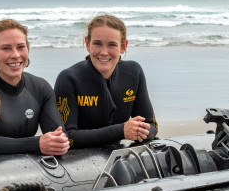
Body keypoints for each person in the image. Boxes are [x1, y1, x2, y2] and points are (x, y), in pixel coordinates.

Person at [0, 19, 69, 158]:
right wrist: (37, 144)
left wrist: (59, 143)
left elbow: (59, 136)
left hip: (19, 171)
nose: (15, 55)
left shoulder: (40, 88)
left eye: (21, 47)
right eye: (6, 48)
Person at [54, 14, 158, 148]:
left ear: (123, 47)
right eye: (97, 44)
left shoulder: (133, 73)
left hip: (113, 156)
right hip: (76, 159)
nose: (104, 52)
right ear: (87, 44)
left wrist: (141, 131)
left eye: (112, 45)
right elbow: (67, 137)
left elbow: (152, 126)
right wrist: (121, 131)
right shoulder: (69, 79)